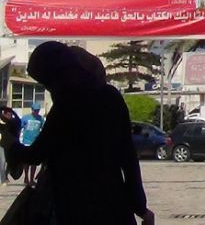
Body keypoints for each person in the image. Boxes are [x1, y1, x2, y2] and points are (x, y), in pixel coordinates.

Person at [1, 41, 154, 224]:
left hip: (73, 208)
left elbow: (36, 154)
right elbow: (128, 158)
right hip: (113, 206)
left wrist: (10, 141)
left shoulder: (66, 106)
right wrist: (140, 207)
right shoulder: (111, 97)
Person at [19, 102, 45, 186]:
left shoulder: (41, 119)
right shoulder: (25, 118)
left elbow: (44, 130)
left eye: (38, 110)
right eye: (35, 110)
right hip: (26, 142)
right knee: (26, 161)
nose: (36, 112)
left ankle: (31, 179)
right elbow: (19, 128)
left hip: (36, 143)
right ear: (32, 110)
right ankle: (26, 177)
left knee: (34, 162)